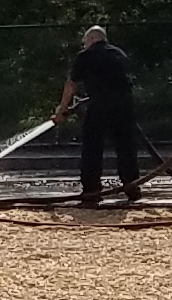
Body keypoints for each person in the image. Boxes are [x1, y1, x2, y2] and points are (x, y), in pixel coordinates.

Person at [52, 24, 148, 205]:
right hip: (124, 106)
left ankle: (92, 191)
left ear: (92, 39)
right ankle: (132, 187)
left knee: (92, 148)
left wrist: (61, 108)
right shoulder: (119, 54)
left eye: (85, 42)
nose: (84, 45)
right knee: (126, 148)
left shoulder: (85, 56)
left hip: (99, 107)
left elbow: (71, 84)